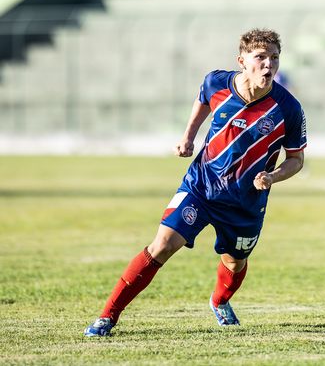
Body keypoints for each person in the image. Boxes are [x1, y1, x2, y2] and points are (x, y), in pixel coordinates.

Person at [84, 28, 307, 336]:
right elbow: (203, 98)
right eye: (260, 58)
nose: (268, 65)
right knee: (161, 245)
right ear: (242, 60)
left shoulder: (288, 109)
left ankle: (220, 301)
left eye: (274, 58)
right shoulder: (217, 82)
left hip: (245, 202)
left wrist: (272, 176)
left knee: (235, 262)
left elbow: (296, 159)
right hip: (200, 187)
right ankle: (107, 316)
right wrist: (188, 136)